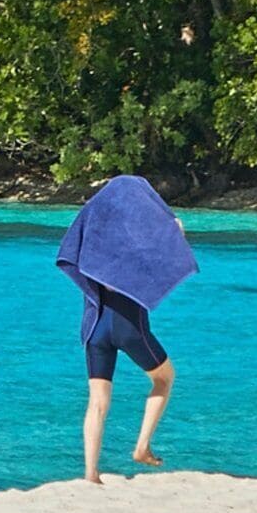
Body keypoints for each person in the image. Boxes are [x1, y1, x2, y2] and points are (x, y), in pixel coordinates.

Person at [57, 173, 199, 485]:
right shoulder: (138, 240)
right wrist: (170, 224)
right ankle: (141, 446)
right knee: (164, 378)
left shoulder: (94, 238)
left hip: (94, 327)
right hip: (128, 325)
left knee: (97, 402)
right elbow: (173, 238)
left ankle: (90, 473)